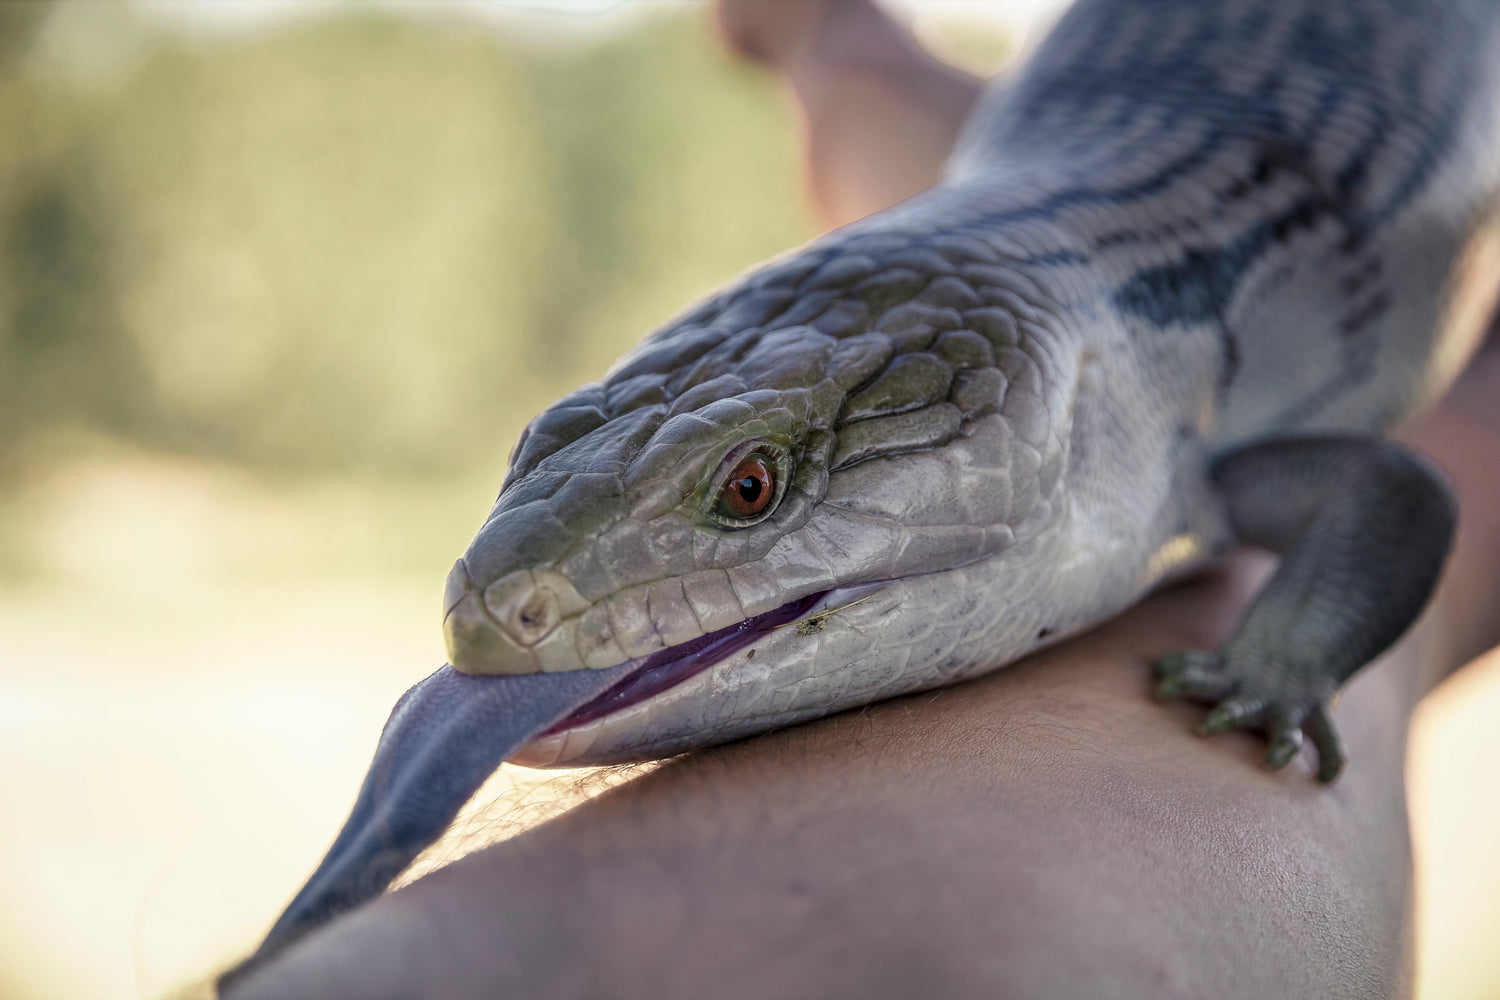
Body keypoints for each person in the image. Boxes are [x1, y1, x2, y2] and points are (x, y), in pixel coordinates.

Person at [223, 2, 1500, 996]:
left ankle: (834, 47)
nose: (510, 608)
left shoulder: (1121, 391)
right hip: (1075, 163)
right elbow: (1392, 501)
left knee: (877, 106)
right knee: (880, 105)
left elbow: (1390, 503)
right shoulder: (1092, 368)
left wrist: (1284, 659)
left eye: (750, 487)